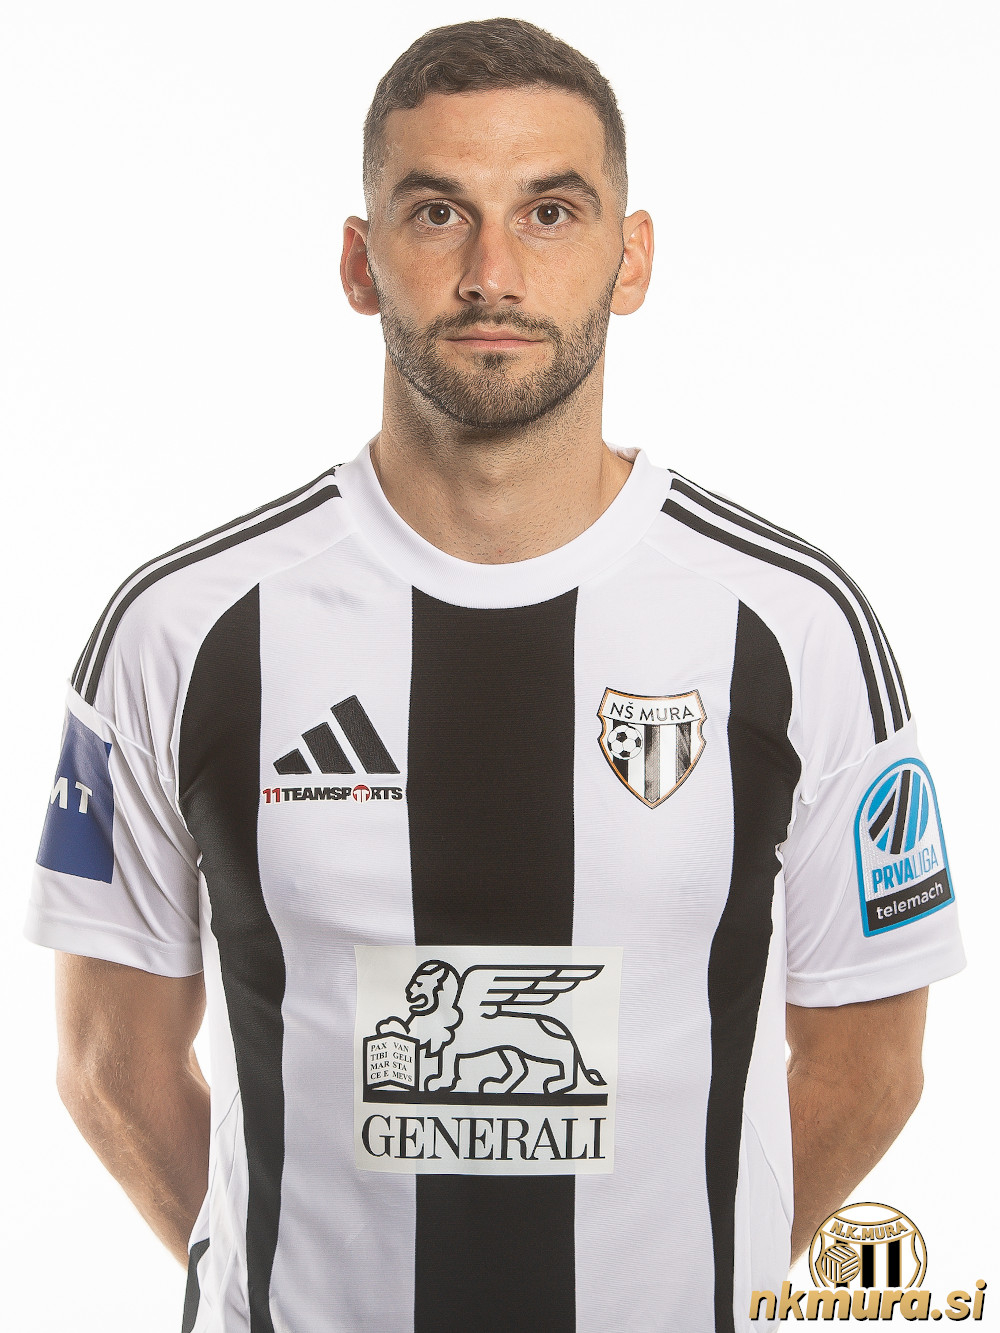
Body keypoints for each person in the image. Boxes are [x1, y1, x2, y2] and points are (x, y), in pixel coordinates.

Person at [26, 17, 964, 1333]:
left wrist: (691, 1277)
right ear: (360, 262)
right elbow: (106, 1065)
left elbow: (872, 1063)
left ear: (632, 257)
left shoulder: (795, 627)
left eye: (550, 212)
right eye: (436, 214)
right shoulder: (181, 629)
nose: (491, 272)